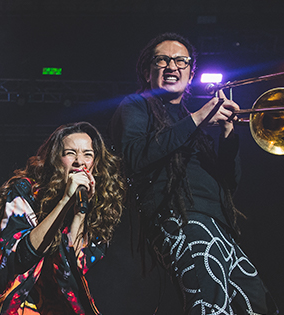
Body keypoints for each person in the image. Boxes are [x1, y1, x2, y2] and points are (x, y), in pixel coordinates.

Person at [109, 33, 271, 314]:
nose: (172, 65)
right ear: (148, 72)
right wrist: (197, 118)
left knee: (258, 305)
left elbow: (229, 184)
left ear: (190, 72)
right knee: (209, 307)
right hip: (180, 218)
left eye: (181, 60)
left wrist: (228, 134)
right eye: (162, 59)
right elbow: (135, 156)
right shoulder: (137, 105)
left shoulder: (191, 121)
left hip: (219, 225)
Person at [0, 122, 125, 315]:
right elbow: (20, 258)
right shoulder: (26, 192)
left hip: (35, 301)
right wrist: (64, 202)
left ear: (95, 163)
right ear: (56, 159)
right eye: (70, 153)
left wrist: (80, 212)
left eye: (87, 154)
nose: (80, 161)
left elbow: (72, 268)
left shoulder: (97, 208)